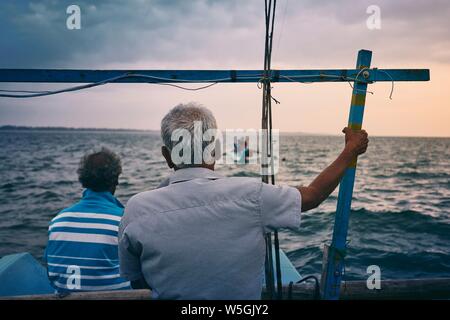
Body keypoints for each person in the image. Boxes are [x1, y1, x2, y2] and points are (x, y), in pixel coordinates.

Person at [118, 102, 369, 299]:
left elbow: (137, 281)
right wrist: (350, 151)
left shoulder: (137, 209)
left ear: (166, 155)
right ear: (214, 149)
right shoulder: (252, 195)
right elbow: (313, 195)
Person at [46, 147, 130, 292]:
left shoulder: (57, 221)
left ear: (83, 181)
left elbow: (50, 271)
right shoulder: (125, 220)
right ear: (116, 180)